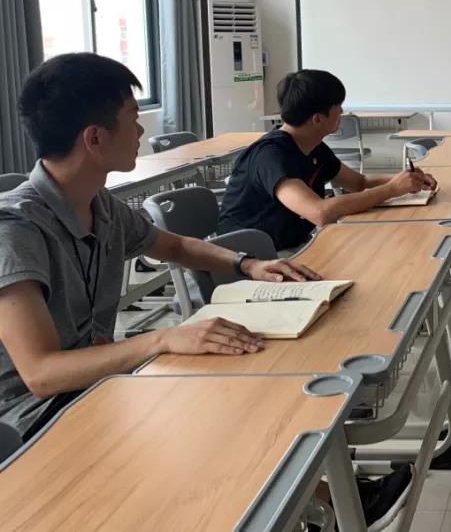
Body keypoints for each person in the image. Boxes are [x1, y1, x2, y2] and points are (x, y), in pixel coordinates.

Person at [0, 53, 318, 443]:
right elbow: (41, 374)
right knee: (221, 423)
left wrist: (246, 264)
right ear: (95, 138)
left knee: (245, 393)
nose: (139, 130)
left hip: (97, 385)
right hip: (32, 423)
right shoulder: (14, 229)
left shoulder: (101, 205)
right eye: (132, 118)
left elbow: (174, 246)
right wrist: (163, 337)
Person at [218, 70, 436, 252]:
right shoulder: (271, 156)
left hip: (292, 245)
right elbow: (319, 212)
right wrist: (392, 189)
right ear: (318, 118)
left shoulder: (313, 146)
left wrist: (405, 180)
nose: (342, 111)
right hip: (256, 257)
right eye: (337, 106)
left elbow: (359, 182)